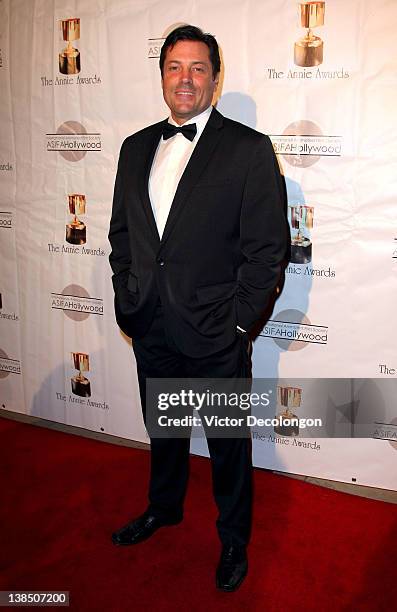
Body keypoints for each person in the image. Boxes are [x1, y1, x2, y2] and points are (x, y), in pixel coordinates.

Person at [108, 24, 287, 592]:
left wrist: (238, 323)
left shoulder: (248, 150)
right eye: (175, 67)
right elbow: (121, 234)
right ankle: (165, 507)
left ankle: (234, 538)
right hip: (151, 323)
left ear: (215, 76)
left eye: (198, 68)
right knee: (164, 429)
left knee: (228, 443)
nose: (185, 79)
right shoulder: (136, 147)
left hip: (215, 330)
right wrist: (127, 293)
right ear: (162, 74)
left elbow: (267, 251)